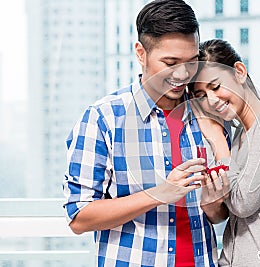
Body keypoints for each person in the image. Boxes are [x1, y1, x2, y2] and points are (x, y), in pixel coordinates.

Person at [62, 2, 228, 266]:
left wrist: (213, 205)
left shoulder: (207, 117)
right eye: (170, 62)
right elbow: (79, 217)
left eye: (192, 61)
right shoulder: (104, 118)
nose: (183, 74)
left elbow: (218, 216)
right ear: (141, 53)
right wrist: (160, 193)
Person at [188, 39, 260, 266]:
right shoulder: (239, 136)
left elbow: (243, 202)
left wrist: (216, 142)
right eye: (201, 95)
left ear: (239, 72)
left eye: (215, 86)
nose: (211, 101)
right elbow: (223, 210)